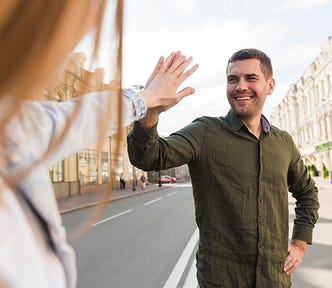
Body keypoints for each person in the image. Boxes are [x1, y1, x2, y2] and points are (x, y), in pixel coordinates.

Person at [0, 1, 198, 288]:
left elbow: (73, 118)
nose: (75, 41)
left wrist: (146, 98)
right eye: (75, 22)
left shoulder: (12, 122)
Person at [127, 48, 320, 287]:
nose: (240, 86)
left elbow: (307, 193)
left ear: (270, 86)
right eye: (232, 79)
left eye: (251, 78)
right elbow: (150, 158)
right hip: (221, 281)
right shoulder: (205, 132)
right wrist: (150, 113)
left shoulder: (283, 143)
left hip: (275, 279)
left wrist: (300, 242)